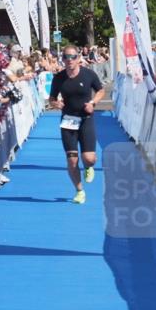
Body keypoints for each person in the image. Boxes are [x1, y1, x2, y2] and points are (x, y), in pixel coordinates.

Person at [49, 46, 104, 204]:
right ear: (63, 59)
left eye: (72, 57)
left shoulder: (88, 74)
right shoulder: (59, 78)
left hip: (86, 119)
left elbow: (101, 91)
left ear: (78, 58)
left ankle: (88, 167)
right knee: (72, 160)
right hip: (68, 122)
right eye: (66, 57)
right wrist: (56, 103)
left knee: (89, 158)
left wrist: (93, 103)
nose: (69, 60)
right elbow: (51, 98)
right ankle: (79, 191)